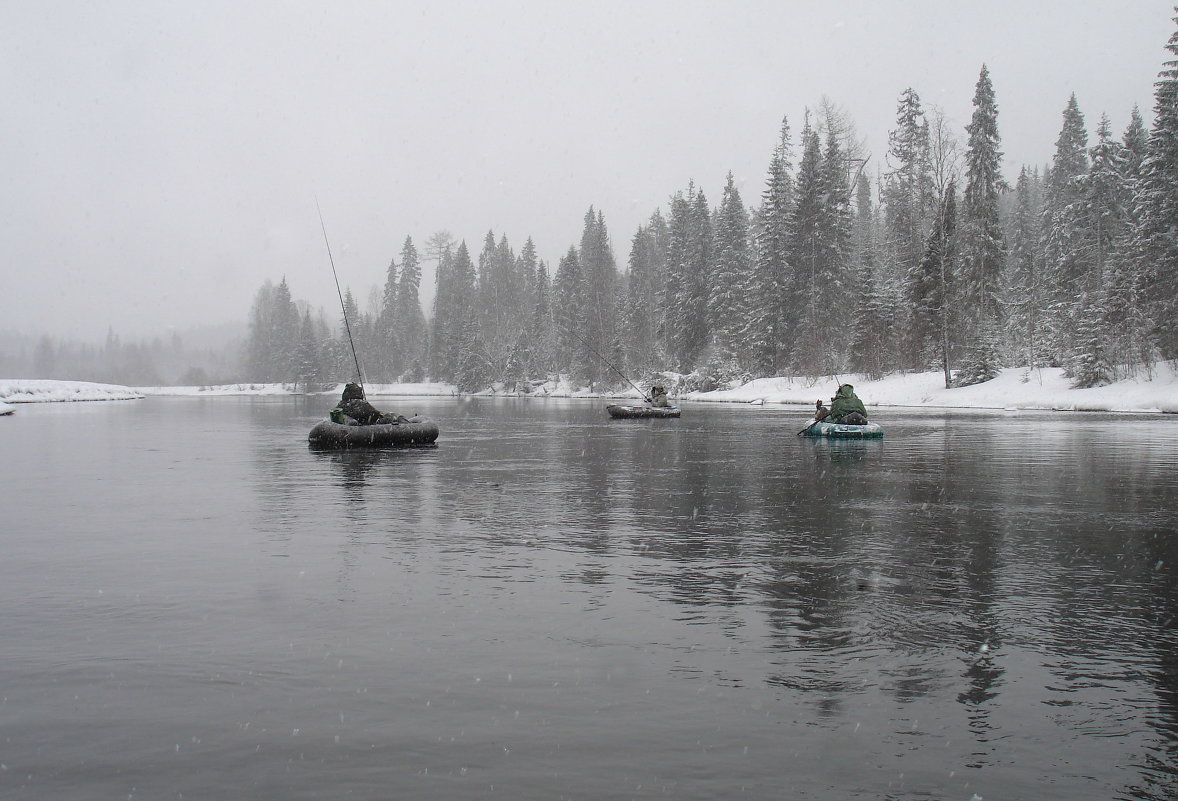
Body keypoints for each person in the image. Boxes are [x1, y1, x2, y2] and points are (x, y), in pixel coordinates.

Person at [330, 382, 405, 425]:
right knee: (392, 416)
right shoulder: (360, 403)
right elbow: (374, 413)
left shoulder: (341, 405)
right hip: (367, 426)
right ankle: (408, 425)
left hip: (358, 426)